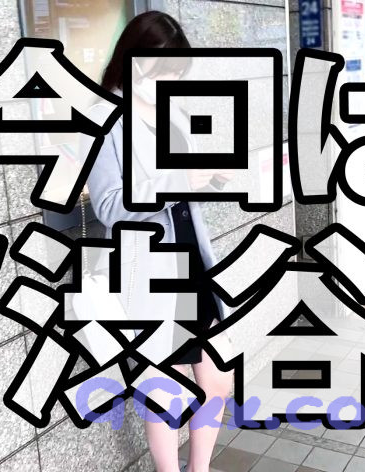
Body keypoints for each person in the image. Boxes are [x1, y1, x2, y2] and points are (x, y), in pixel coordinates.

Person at [85, 11, 233, 472]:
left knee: (217, 380)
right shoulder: (104, 119)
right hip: (149, 268)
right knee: (165, 388)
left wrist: (213, 177)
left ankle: (198, 469)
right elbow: (108, 205)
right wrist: (178, 181)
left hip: (192, 262)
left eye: (176, 71)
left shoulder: (173, 113)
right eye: (162, 69)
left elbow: (181, 182)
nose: (169, 80)